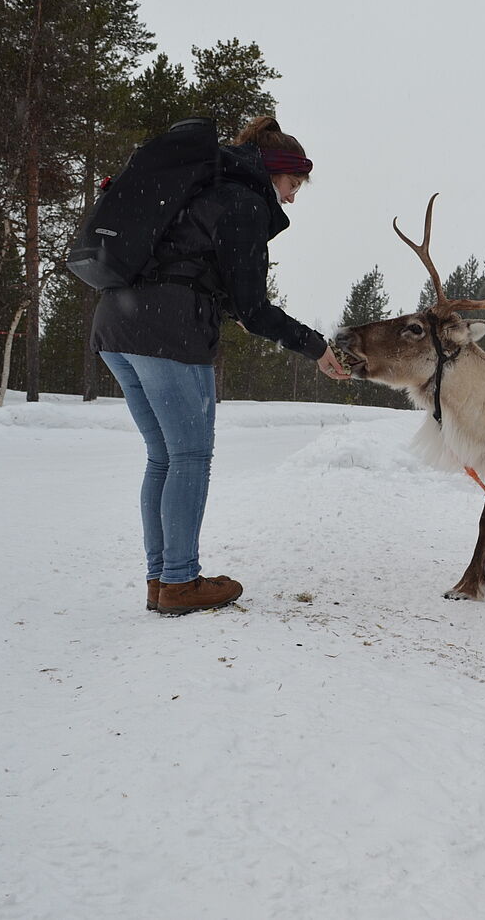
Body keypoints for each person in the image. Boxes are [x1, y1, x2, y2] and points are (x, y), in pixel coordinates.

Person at [92, 115, 350, 617]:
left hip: (115, 323)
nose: (293, 198)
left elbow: (227, 295)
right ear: (275, 171)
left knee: (163, 457)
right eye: (294, 184)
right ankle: (180, 582)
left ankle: (160, 578)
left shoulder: (202, 191)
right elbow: (252, 309)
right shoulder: (243, 201)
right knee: (188, 456)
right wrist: (315, 346)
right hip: (167, 330)